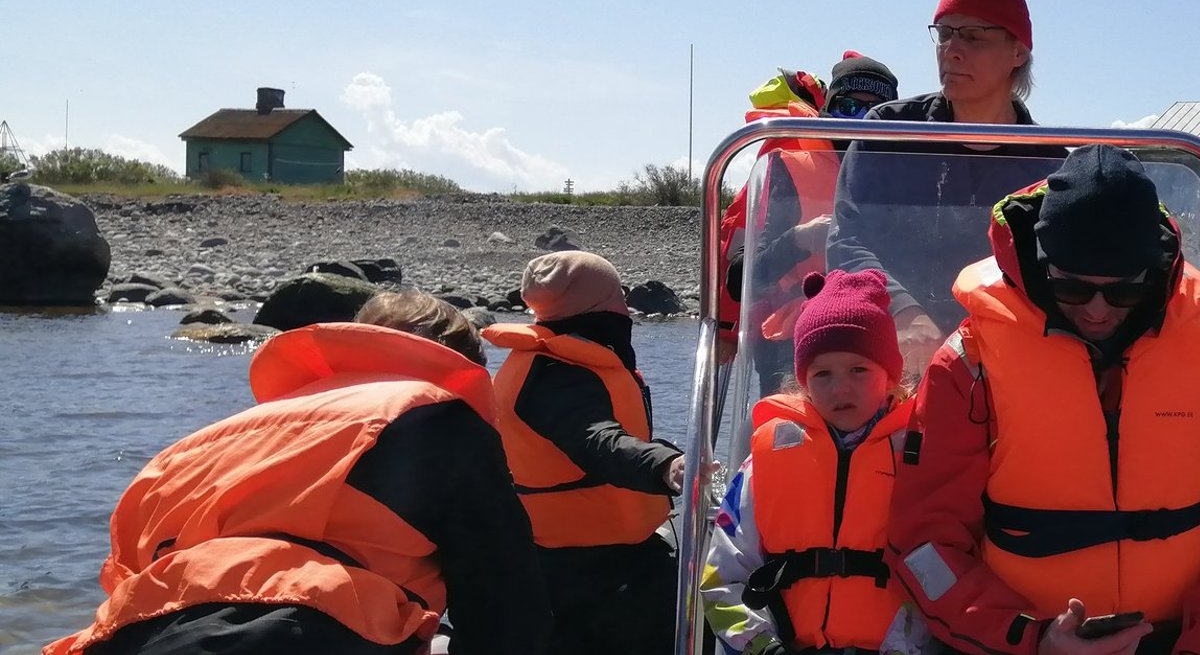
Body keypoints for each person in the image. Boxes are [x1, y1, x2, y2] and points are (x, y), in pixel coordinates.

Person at [46, 291, 550, 655]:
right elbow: (505, 603)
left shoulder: (196, 444)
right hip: (312, 635)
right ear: (462, 366)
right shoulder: (442, 418)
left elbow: (124, 576)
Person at [886, 144, 1200, 654]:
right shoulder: (970, 360)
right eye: (1073, 289)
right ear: (1041, 264)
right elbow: (924, 542)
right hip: (1023, 638)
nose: (1098, 310)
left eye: (1123, 292)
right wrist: (1031, 639)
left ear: (1155, 272)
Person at [826, 0, 1066, 373]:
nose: (951, 50)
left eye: (973, 37)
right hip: (893, 355)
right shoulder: (889, 133)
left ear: (1018, 52)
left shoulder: (1053, 169)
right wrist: (903, 312)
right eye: (945, 33)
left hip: (1007, 362)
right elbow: (847, 240)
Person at [701, 269, 918, 655]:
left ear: (890, 376)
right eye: (822, 374)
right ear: (803, 382)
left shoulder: (922, 458)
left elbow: (942, 576)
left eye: (859, 369)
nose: (841, 387)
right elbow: (722, 578)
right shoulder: (764, 463)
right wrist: (762, 646)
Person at [482, 250, 683, 655]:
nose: (625, 307)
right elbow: (598, 442)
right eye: (618, 295)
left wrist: (663, 453)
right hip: (586, 570)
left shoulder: (555, 360)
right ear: (599, 304)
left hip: (584, 554)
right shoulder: (556, 376)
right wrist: (665, 465)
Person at [722, 53, 900, 394]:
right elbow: (742, 278)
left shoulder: (908, 172)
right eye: (848, 108)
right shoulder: (789, 166)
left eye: (874, 111)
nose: (859, 121)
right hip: (796, 341)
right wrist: (800, 239)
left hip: (880, 335)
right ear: (828, 111)